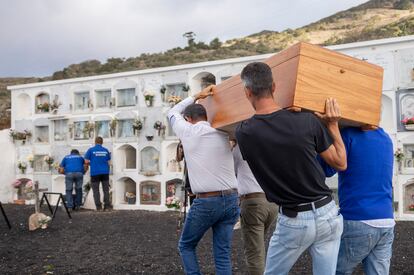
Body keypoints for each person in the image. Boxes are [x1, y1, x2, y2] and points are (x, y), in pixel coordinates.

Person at [235, 62, 347, 275]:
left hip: (294, 220)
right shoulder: (307, 121)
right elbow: (341, 163)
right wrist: (332, 124)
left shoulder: (244, 132)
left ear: (247, 92)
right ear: (275, 87)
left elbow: (269, 125)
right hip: (328, 213)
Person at [168, 85, 240, 275]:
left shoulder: (187, 131)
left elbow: (172, 111)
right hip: (232, 199)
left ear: (188, 119)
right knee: (222, 253)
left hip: (207, 201)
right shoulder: (223, 133)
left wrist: (196, 96)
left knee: (186, 246)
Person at [318, 126, 395, 275]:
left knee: (335, 271)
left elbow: (327, 169)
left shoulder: (347, 135)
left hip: (358, 217)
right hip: (386, 220)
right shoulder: (386, 138)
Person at [232, 143, 278, 275]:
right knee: (261, 245)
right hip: (272, 202)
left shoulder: (240, 148)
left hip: (253, 202)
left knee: (254, 251)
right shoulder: (271, 145)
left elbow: (233, 171)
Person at [85, 136, 112, 211]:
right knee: (106, 190)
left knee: (96, 190)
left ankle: (99, 207)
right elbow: (109, 162)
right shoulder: (106, 150)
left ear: (95, 142)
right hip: (105, 173)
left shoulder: (91, 150)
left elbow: (86, 161)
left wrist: (92, 163)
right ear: (102, 142)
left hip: (95, 173)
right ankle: (107, 207)